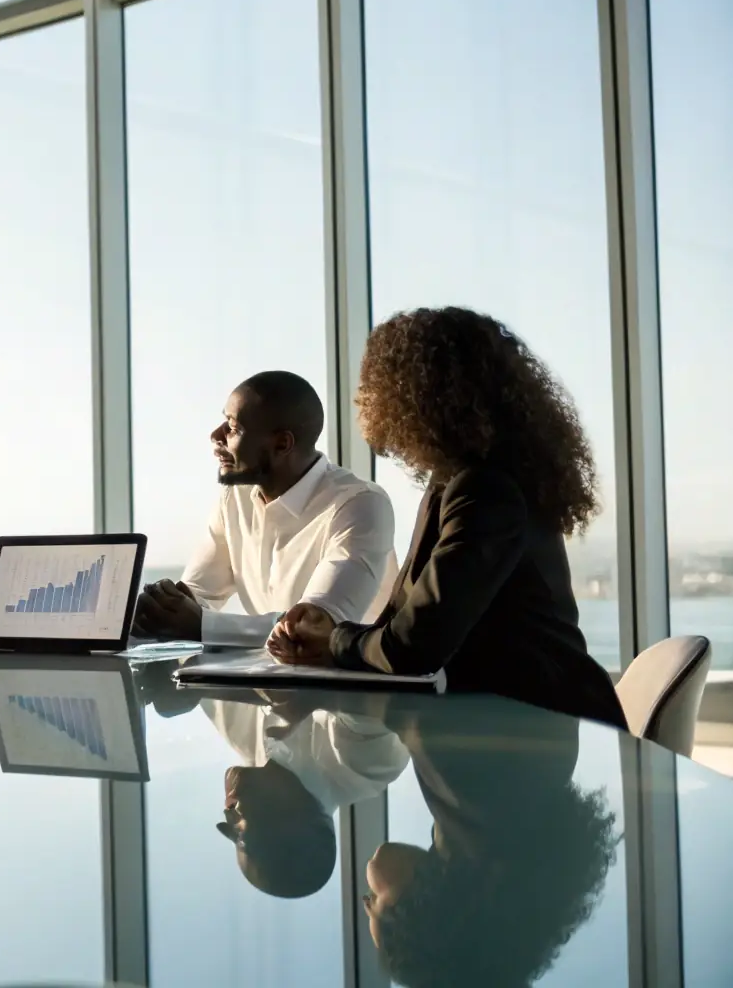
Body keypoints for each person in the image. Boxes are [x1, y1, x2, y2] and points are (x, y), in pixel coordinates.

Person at [269, 308, 628, 727]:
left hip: (528, 725)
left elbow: (412, 645)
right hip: (502, 719)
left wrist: (335, 641)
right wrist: (331, 638)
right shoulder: (458, 482)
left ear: (414, 396)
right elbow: (405, 624)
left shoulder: (487, 489)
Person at [362, 700, 619, 987]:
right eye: (376, 910)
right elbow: (396, 685)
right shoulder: (467, 784)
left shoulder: (522, 797)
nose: (366, 900)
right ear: (422, 922)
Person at [133, 371, 397, 648]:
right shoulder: (236, 499)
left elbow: (312, 628)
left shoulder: (360, 505)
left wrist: (201, 624)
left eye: (233, 428)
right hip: (265, 671)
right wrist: (160, 608)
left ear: (282, 444)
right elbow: (196, 597)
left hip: (346, 674)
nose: (215, 436)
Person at [207, 694, 409, 897]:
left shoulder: (243, 737)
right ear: (286, 829)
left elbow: (196, 680)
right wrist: (314, 696)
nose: (227, 814)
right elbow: (380, 697)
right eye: (239, 836)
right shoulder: (363, 769)